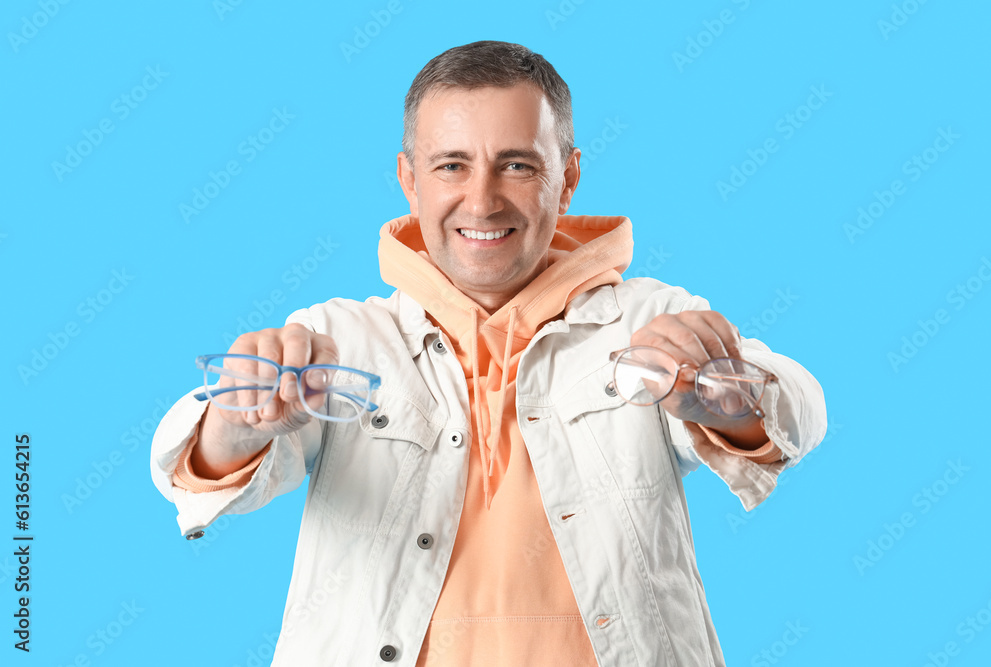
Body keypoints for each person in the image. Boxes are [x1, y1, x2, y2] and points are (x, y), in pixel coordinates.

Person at [151, 40, 826, 666]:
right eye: (452, 165)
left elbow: (800, 405)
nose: (482, 199)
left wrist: (729, 395)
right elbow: (185, 468)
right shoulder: (339, 339)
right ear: (409, 180)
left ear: (567, 179)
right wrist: (239, 418)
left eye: (518, 165)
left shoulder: (647, 320)